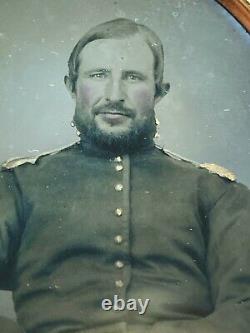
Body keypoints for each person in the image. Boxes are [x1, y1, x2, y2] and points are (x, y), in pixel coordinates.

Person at [0, 18, 250, 333]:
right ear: (71, 85)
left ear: (159, 92)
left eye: (132, 77)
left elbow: (245, 307)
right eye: (98, 75)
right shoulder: (18, 186)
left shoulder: (216, 193)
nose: (114, 94)